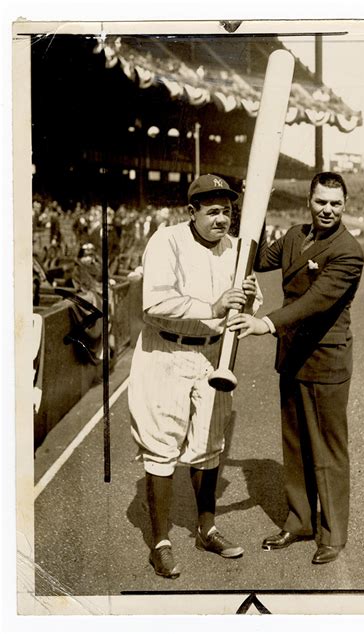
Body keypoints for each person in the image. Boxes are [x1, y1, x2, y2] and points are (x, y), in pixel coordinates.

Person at [128, 174, 261, 579]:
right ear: (193, 211)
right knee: (161, 447)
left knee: (209, 445)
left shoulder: (236, 249)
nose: (222, 219)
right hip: (165, 352)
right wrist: (215, 304)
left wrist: (250, 299)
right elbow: (156, 300)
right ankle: (161, 543)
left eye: (228, 212)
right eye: (214, 211)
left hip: (210, 357)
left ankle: (207, 528)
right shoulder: (166, 240)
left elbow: (248, 308)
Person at [228, 172, 364, 565]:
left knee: (328, 452)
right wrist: (246, 206)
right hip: (292, 357)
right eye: (321, 201)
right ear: (309, 200)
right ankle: (301, 520)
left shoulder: (348, 251)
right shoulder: (292, 236)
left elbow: (315, 303)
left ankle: (333, 534)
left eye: (336, 203)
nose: (328, 210)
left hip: (325, 360)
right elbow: (254, 256)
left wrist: (265, 322)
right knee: (295, 445)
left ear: (345, 205)